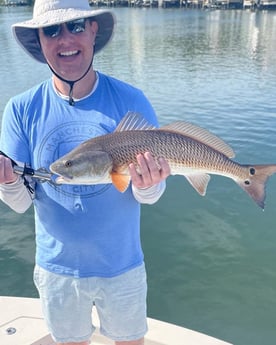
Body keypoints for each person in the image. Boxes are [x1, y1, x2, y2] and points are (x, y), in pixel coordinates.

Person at [0, 1, 171, 345]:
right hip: (56, 269)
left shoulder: (131, 100)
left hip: (122, 265)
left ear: (94, 31)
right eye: (52, 30)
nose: (65, 39)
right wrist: (6, 181)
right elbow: (21, 203)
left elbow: (150, 195)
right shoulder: (20, 109)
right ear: (39, 40)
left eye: (76, 26)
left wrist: (150, 184)